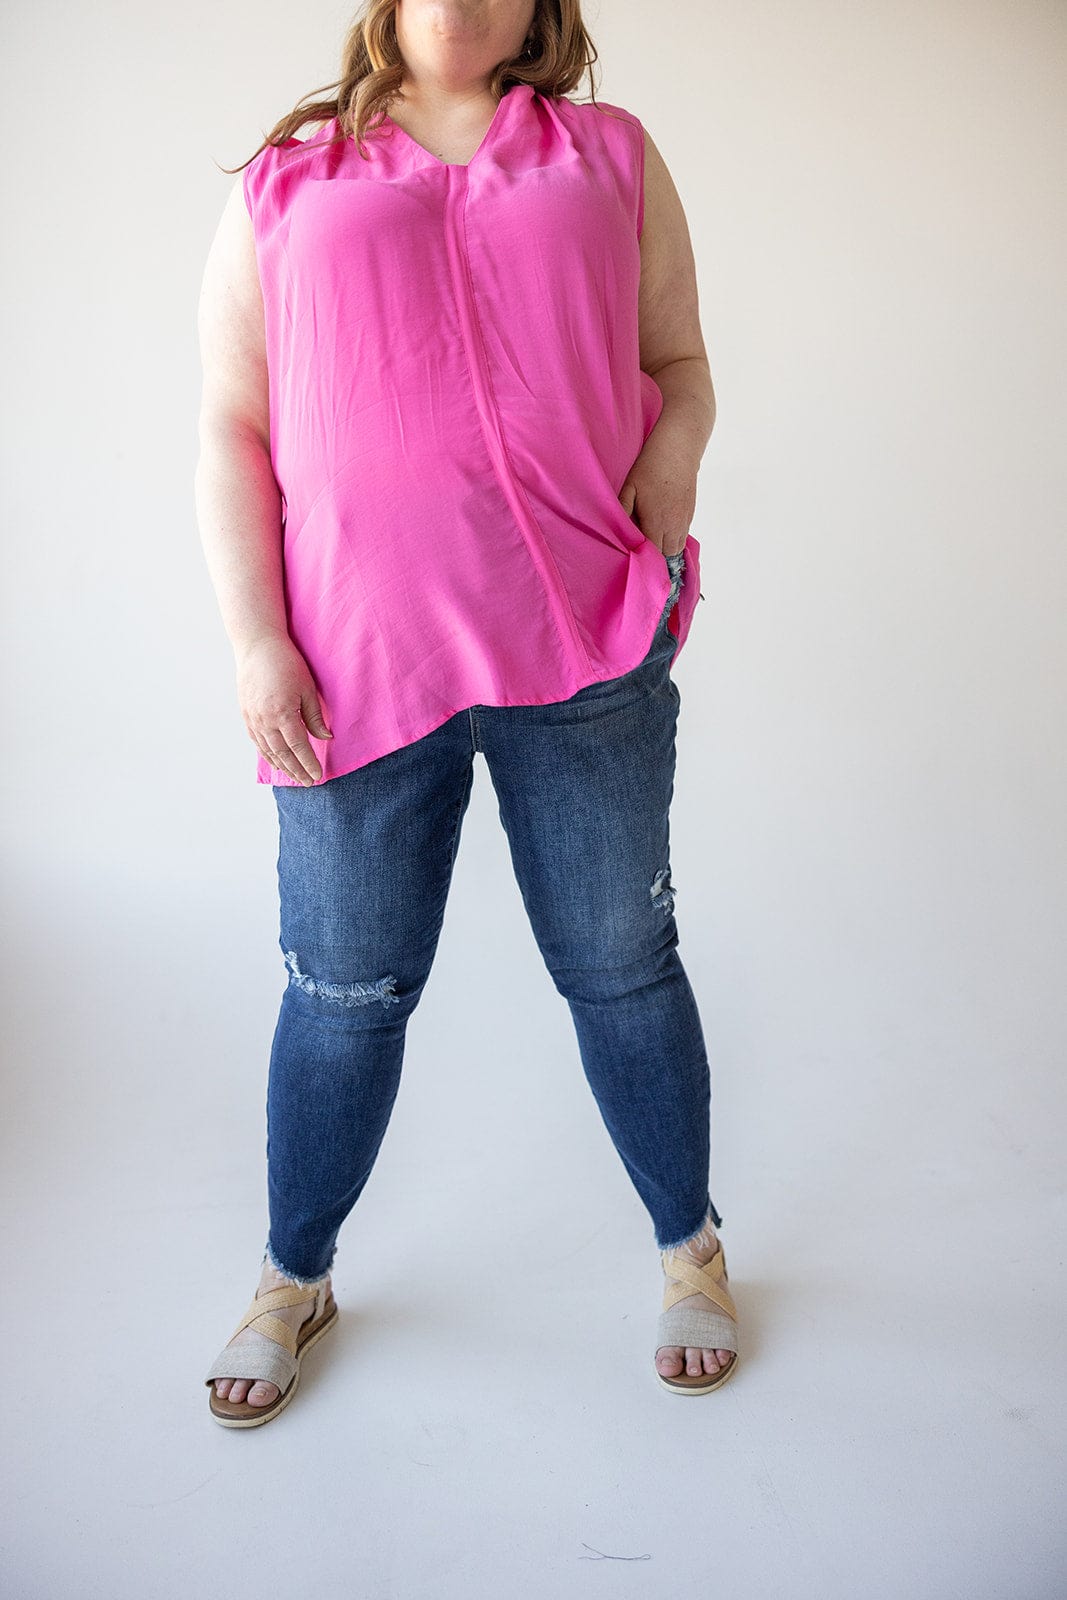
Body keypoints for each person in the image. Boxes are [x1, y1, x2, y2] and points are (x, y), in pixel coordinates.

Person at [195, 0, 739, 1427]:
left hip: (585, 636)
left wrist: (670, 475)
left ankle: (690, 1245)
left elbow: (682, 367)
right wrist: (257, 639)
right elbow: (229, 424)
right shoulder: (289, 177)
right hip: (356, 661)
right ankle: (291, 1273)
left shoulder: (611, 155)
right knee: (344, 991)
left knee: (622, 964)